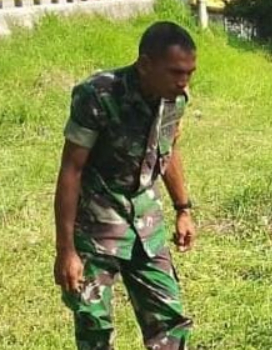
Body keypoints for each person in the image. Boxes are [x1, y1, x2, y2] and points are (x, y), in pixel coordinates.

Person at [53, 21, 198, 350]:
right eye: (176, 72)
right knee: (95, 327)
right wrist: (66, 251)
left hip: (146, 226)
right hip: (96, 226)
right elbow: (71, 169)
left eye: (190, 73)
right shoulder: (98, 95)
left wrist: (183, 209)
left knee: (169, 321)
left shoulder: (175, 99)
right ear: (145, 65)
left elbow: (169, 148)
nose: (184, 82)